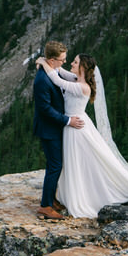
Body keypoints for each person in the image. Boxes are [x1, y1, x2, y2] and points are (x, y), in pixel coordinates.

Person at [36, 52, 128, 219]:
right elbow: (60, 72)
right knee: (74, 163)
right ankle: (69, 194)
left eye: (75, 62)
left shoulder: (82, 87)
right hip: (72, 125)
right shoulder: (75, 79)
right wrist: (46, 61)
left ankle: (83, 194)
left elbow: (57, 79)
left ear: (82, 68)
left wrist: (44, 63)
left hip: (76, 127)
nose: (70, 63)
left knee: (81, 162)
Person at [32, 40, 85, 221]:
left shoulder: (52, 71)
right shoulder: (42, 80)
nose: (64, 62)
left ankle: (51, 200)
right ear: (52, 59)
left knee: (56, 165)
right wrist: (68, 120)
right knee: (54, 166)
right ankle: (45, 206)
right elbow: (45, 110)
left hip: (54, 128)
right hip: (49, 129)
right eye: (62, 59)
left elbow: (63, 76)